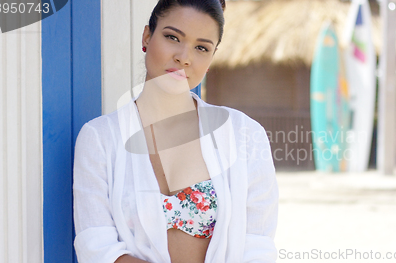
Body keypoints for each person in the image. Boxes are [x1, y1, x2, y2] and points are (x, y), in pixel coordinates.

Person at [72, 0, 279, 262]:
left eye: (201, 47)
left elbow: (258, 245)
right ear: (147, 36)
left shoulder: (245, 135)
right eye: (172, 37)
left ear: (212, 57)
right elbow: (97, 247)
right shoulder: (100, 138)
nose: (184, 57)